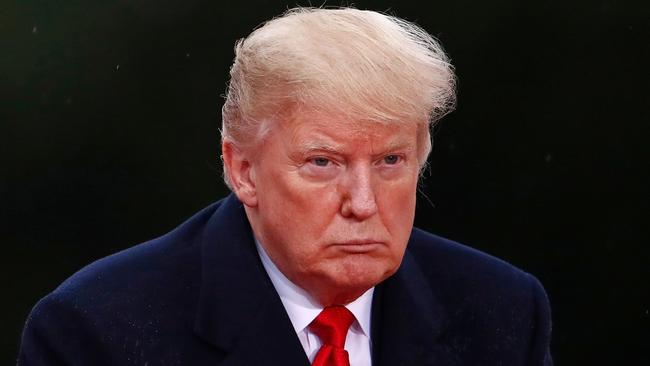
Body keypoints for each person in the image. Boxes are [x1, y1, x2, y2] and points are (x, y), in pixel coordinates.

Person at [18, 7, 552, 366]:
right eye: (323, 162)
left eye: (391, 160)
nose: (363, 203)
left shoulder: (501, 310)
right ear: (243, 170)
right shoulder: (97, 332)